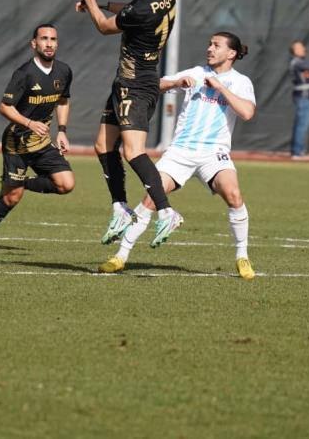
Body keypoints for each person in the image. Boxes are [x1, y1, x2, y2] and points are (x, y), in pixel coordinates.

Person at [98, 32, 258, 280]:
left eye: (216, 45)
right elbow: (156, 85)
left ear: (231, 53)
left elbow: (247, 113)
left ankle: (242, 256)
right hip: (180, 151)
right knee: (151, 199)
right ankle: (120, 256)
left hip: (213, 153)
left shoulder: (240, 81)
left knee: (234, 195)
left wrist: (220, 87)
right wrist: (176, 83)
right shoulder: (196, 72)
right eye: (209, 44)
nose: (210, 49)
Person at [74, 0, 183, 248]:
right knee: (103, 145)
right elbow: (133, 9)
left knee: (133, 152)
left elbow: (104, 26)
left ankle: (166, 212)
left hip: (135, 85)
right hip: (129, 81)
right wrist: (102, 4)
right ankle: (120, 208)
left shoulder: (141, 9)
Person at [0, 24, 75, 251]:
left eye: (53, 39)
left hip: (41, 143)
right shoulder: (24, 73)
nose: (49, 44)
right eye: (44, 39)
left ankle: (20, 183)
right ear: (34, 44)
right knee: (12, 198)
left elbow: (63, 100)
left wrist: (62, 131)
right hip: (16, 144)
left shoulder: (64, 71)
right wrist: (29, 123)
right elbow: (4, 107)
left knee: (66, 184)